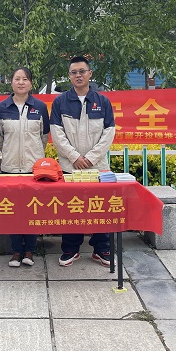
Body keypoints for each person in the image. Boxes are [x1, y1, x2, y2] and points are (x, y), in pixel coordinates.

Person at [50, 55, 116, 267]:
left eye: (82, 71)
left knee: (100, 207)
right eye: (74, 72)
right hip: (70, 168)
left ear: (90, 74)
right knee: (72, 208)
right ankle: (71, 248)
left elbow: (109, 133)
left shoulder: (102, 102)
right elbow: (57, 134)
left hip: (98, 167)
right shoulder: (60, 102)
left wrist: (90, 158)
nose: (78, 75)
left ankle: (102, 249)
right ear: (69, 76)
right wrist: (74, 157)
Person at [0, 67, 50, 267]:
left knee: (32, 209)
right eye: (17, 79)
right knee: (14, 211)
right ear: (11, 82)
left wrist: (33, 155)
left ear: (31, 83)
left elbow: (44, 137)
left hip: (33, 169)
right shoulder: (2, 108)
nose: (21, 82)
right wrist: (10, 153)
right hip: (10, 169)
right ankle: (16, 251)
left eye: (25, 79)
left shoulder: (40, 107)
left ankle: (30, 251)